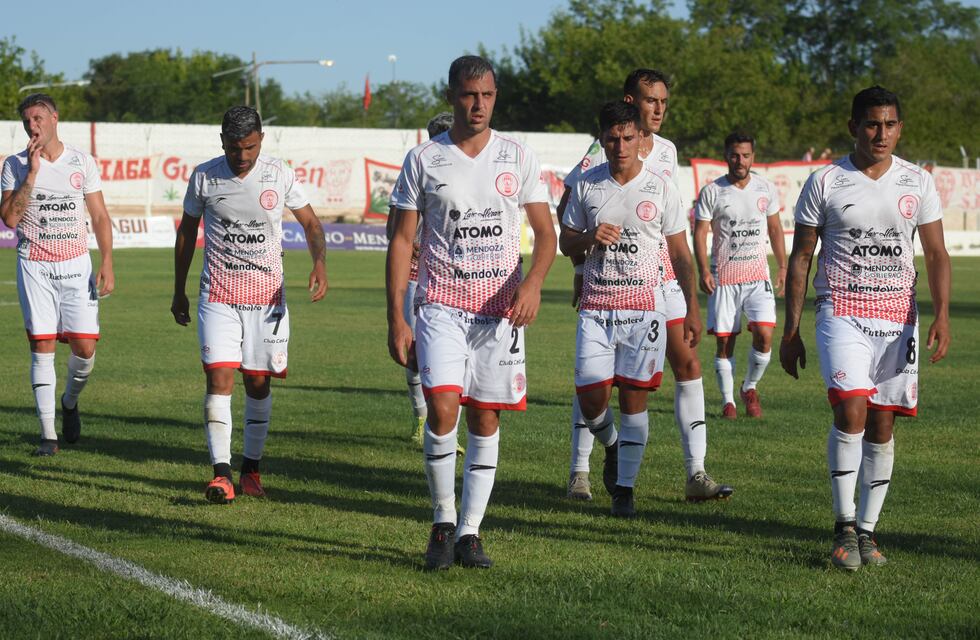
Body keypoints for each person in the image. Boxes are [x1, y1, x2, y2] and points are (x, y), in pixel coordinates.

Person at [386, 55, 556, 570]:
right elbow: (401, 240)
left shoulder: (517, 157)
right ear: (450, 96)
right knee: (442, 407)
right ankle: (441, 523)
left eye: (485, 95)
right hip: (440, 305)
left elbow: (545, 235)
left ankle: (470, 534)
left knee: (485, 417)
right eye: (467, 95)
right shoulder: (423, 160)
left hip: (502, 313)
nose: (477, 104)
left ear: (494, 97)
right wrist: (397, 315)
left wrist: (534, 283)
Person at [780, 86, 950, 570]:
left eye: (890, 124)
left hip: (899, 318)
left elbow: (936, 254)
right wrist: (792, 330)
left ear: (900, 128)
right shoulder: (826, 181)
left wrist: (941, 314)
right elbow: (800, 258)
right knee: (852, 408)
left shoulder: (917, 182)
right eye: (872, 124)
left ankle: (869, 534)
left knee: (881, 421)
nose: (881, 134)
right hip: (841, 311)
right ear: (853, 126)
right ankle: (843, 528)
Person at [558, 69, 731, 503]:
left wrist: (691, 301)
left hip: (660, 280)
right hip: (608, 283)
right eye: (651, 100)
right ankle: (580, 470)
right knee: (594, 380)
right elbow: (569, 214)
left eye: (664, 102)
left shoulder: (668, 152)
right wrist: (581, 270)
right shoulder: (597, 156)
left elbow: (674, 236)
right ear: (630, 103)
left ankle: (696, 473)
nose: (659, 109)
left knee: (687, 365)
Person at [172, 106, 328, 504]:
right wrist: (179, 289)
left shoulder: (279, 174)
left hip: (267, 300)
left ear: (261, 140)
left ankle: (251, 469)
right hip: (218, 294)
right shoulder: (205, 176)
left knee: (257, 384)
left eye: (250, 147)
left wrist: (319, 264)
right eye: (235, 147)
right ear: (221, 140)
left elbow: (311, 223)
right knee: (219, 378)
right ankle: (221, 474)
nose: (243, 156)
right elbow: (188, 231)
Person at [560, 101, 686, 517]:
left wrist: (692, 310)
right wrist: (589, 237)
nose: (620, 146)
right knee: (592, 397)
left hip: (644, 310)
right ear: (602, 140)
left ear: (639, 139)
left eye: (628, 138)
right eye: (612, 138)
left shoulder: (661, 187)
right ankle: (611, 445)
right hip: (596, 307)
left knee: (635, 401)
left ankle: (624, 491)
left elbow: (680, 252)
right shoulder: (587, 185)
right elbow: (566, 242)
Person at [0, 93, 114, 456]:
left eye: (38, 119)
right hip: (35, 263)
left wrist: (107, 260)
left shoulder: (82, 161)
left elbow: (98, 216)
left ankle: (69, 400)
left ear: (54, 118)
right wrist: (32, 174)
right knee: (42, 346)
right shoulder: (15, 165)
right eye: (27, 121)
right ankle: (48, 436)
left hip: (76, 263)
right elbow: (10, 219)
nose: (32, 126)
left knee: (85, 350)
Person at [694, 132, 787, 419]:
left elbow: (774, 229)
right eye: (735, 155)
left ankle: (750, 387)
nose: (740, 161)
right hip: (724, 279)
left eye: (745, 155)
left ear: (753, 157)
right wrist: (704, 270)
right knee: (725, 342)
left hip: (758, 278)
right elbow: (700, 232)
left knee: (765, 334)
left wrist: (782, 266)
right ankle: (727, 401)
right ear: (726, 156)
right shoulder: (712, 192)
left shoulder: (765, 189)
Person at [384, 112, 461, 451]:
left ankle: (448, 428)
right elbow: (392, 231)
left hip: (457, 282)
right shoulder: (417, 170)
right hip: (417, 277)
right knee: (416, 353)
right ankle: (421, 418)